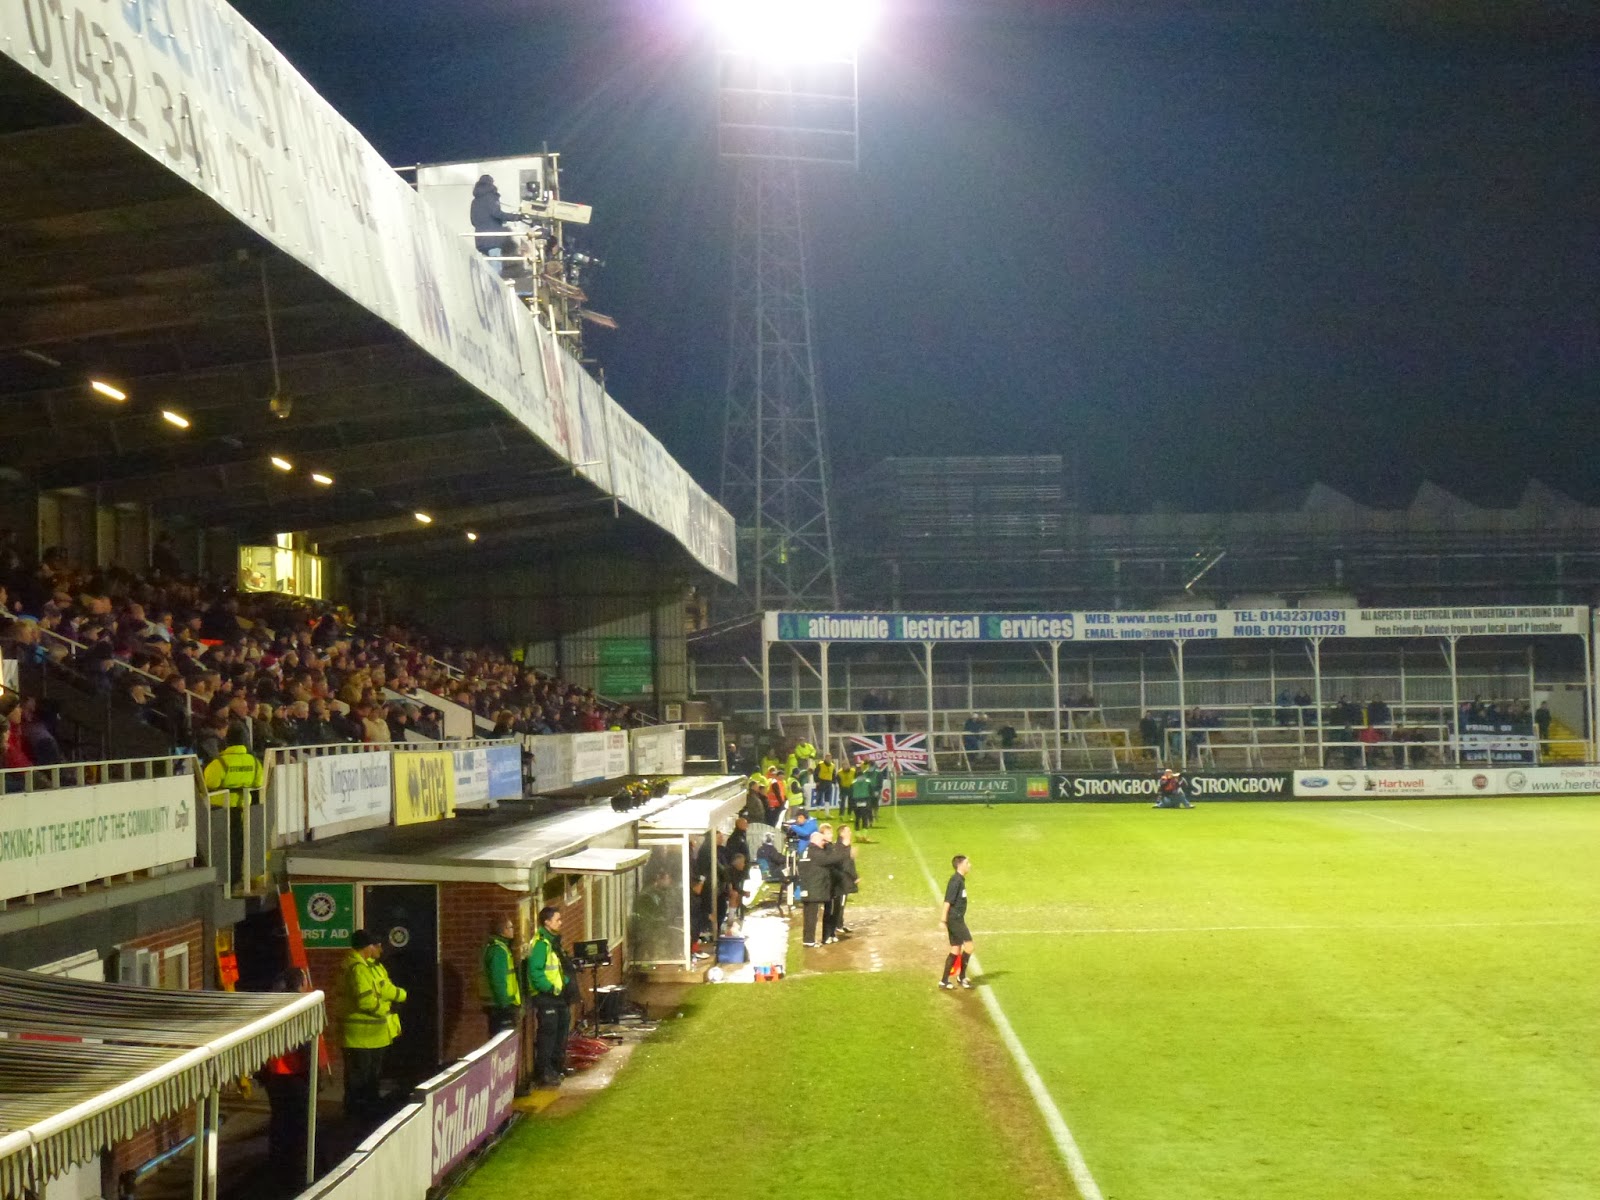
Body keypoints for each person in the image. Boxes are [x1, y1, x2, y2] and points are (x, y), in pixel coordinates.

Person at [340, 930, 406, 1120]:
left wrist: (401, 995)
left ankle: (367, 1111)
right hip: (360, 1035)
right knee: (359, 1079)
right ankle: (357, 1117)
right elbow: (366, 1001)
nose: (380, 948)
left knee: (370, 1078)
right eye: (377, 945)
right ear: (368, 947)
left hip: (372, 1035)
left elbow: (384, 988)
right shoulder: (358, 969)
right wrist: (385, 1009)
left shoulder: (369, 967)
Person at [257, 967, 314, 1180]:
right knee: (299, 1120)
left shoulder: (271, 1008)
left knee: (279, 1118)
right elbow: (305, 1045)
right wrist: (312, 1072)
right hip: (294, 1072)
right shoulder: (301, 1007)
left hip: (273, 1073)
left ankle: (277, 1162)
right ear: (299, 984)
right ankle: (297, 1167)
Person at [202, 722, 263, 888]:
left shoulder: (220, 763)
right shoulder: (255, 762)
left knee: (220, 846)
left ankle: (223, 878)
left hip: (220, 810)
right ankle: (236, 876)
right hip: (244, 808)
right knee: (239, 844)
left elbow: (208, 783)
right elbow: (258, 781)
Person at [526, 907, 571, 1088]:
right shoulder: (541, 944)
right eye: (557, 919)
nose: (560, 923)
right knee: (548, 1034)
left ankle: (555, 1067)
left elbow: (555, 969)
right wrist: (550, 988)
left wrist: (563, 983)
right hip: (546, 996)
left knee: (560, 1030)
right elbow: (535, 971)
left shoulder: (550, 942)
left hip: (556, 995)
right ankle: (544, 1071)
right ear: (547, 922)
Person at [470, 174, 524, 275]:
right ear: (491, 184)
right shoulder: (490, 197)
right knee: (496, 269)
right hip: (493, 238)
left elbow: (473, 221)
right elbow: (497, 214)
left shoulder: (475, 201)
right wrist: (515, 217)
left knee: (487, 269)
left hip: (480, 239)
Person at [480, 914, 523, 1036]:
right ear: (502, 931)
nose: (513, 930)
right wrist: (504, 1004)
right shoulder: (498, 951)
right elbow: (498, 980)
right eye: (510, 927)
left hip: (500, 1005)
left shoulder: (501, 948)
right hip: (500, 1006)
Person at [796, 830, 839, 947]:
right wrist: (843, 852)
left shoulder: (806, 851)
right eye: (822, 840)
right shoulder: (815, 852)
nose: (823, 843)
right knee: (811, 916)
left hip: (807, 887)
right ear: (815, 841)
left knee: (809, 915)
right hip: (813, 888)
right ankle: (809, 941)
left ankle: (808, 940)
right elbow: (831, 859)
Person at [940, 854, 974, 990]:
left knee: (955, 949)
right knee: (970, 946)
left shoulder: (960, 880)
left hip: (956, 918)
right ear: (960, 865)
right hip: (955, 919)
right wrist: (943, 919)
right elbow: (948, 901)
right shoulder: (956, 881)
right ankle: (961, 976)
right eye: (967, 863)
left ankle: (944, 981)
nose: (969, 865)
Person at [831, 824, 859, 935]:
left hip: (843, 879)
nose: (850, 833)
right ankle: (838, 925)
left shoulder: (844, 847)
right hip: (842, 880)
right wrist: (854, 877)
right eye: (847, 831)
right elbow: (846, 866)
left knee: (841, 903)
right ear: (842, 834)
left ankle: (840, 924)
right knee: (840, 904)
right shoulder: (840, 848)